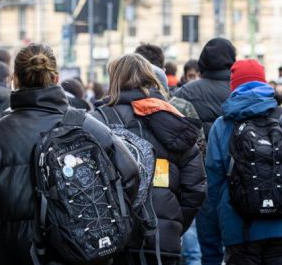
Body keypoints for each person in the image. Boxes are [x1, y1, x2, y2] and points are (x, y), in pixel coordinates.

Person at [0, 43, 140, 265]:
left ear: (15, 80)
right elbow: (131, 174)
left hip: (18, 255)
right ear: (56, 79)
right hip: (81, 252)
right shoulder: (90, 127)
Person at [92, 53, 206, 265]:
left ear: (114, 79)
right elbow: (196, 186)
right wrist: (173, 222)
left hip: (108, 241)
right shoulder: (172, 120)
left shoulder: (96, 122)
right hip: (161, 242)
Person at [207, 59, 282, 265]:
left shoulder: (222, 125)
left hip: (238, 227)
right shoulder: (280, 116)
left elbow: (213, 182)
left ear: (233, 86)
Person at [175, 37, 236, 265]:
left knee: (208, 247)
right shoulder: (237, 91)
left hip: (200, 177)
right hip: (238, 177)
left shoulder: (184, 94)